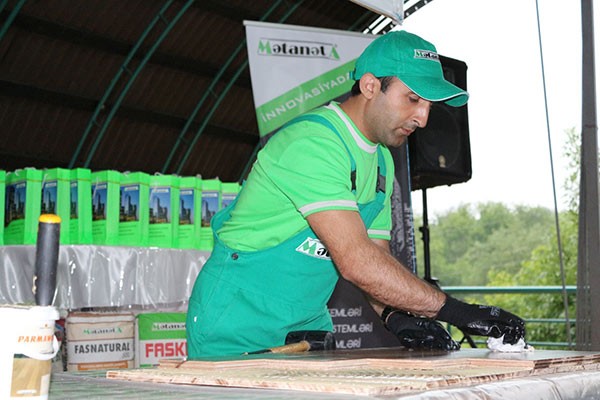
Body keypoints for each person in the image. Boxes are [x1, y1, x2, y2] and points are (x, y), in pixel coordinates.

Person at [186, 30, 525, 357]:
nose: (422, 118)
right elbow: (356, 261)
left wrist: (394, 315)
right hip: (236, 323)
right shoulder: (313, 143)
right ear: (370, 86)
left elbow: (375, 257)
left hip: (305, 326)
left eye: (429, 106)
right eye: (413, 99)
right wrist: (456, 311)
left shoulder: (381, 163)